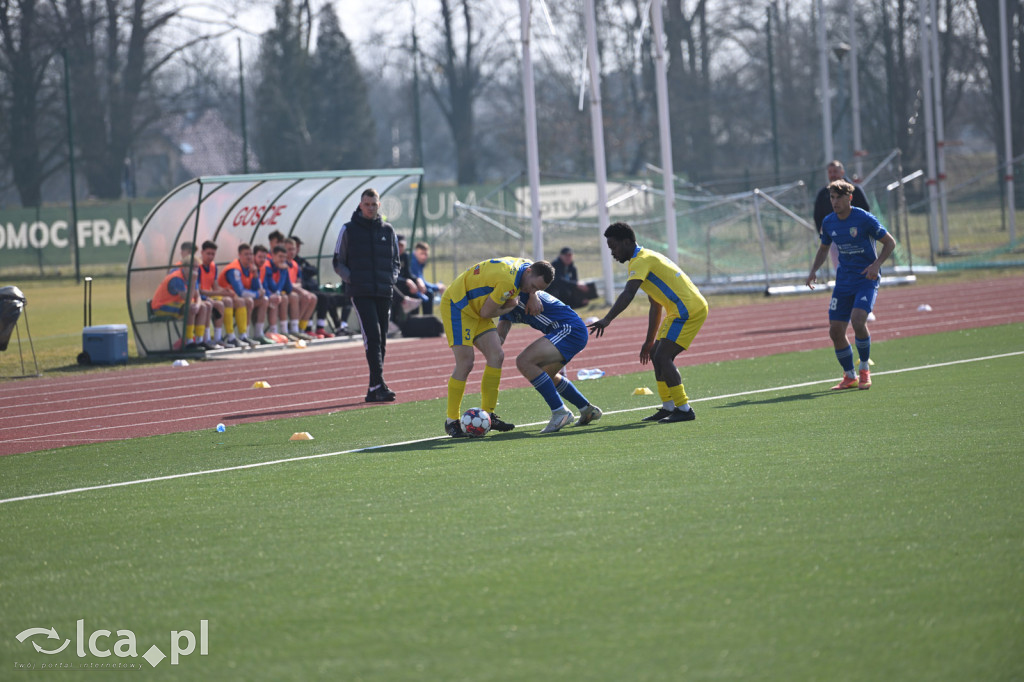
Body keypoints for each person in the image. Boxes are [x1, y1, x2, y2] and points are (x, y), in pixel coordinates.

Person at [588, 222, 709, 424]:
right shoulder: (644, 259)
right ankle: (669, 407)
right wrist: (649, 341)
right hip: (680, 310)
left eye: (614, 247)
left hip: (687, 309)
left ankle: (684, 409)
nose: (613, 253)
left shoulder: (640, 261)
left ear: (627, 242)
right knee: (656, 353)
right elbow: (656, 305)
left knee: (663, 356)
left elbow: (628, 293)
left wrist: (607, 319)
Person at [440, 257, 554, 437]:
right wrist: (513, 306)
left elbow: (532, 267)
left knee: (496, 355)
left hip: (477, 308)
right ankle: (451, 421)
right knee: (466, 362)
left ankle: (489, 415)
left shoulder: (526, 267)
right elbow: (487, 312)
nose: (531, 291)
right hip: (458, 305)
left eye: (537, 289)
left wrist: (533, 295)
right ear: (529, 272)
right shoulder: (507, 282)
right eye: (533, 287)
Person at [805, 179, 896, 390]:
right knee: (835, 331)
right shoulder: (828, 222)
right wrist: (813, 271)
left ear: (850, 198)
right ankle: (849, 376)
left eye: (838, 197)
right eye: (832, 198)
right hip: (843, 281)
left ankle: (864, 369)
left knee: (857, 321)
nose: (834, 202)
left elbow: (889, 243)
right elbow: (824, 248)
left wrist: (876, 265)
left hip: (866, 279)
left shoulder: (864, 219)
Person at [496, 290, 602, 433]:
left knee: (524, 361)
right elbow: (498, 339)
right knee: (545, 374)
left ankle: (560, 412)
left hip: (569, 329)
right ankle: (586, 409)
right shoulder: (505, 304)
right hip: (569, 330)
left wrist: (532, 294)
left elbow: (533, 267)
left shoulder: (516, 287)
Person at [333, 188, 401, 403]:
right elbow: (337, 262)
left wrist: (391, 279)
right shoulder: (349, 230)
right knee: (371, 336)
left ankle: (374, 388)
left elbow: (396, 262)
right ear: (360, 205)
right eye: (366, 204)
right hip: (361, 292)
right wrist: (352, 278)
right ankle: (379, 384)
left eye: (374, 204)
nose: (370, 208)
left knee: (381, 340)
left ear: (379, 205)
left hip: (383, 291)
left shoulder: (388, 231)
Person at [150, 260, 211, 351]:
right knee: (189, 308)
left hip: (177, 305)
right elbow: (187, 298)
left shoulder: (193, 278)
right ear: (185, 268)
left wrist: (198, 305)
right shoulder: (177, 278)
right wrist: (193, 282)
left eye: (197, 267)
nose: (195, 269)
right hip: (161, 306)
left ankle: (200, 340)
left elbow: (197, 296)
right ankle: (189, 341)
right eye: (192, 267)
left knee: (204, 306)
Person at [219, 242, 271, 345]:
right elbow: (240, 292)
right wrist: (257, 294)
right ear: (239, 255)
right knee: (248, 301)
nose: (249, 257)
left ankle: (258, 334)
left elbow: (259, 289)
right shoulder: (234, 269)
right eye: (246, 254)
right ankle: (240, 336)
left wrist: (256, 275)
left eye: (250, 254)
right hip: (225, 298)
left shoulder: (251, 268)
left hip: (238, 299)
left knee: (264, 300)